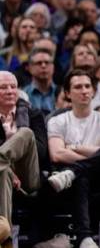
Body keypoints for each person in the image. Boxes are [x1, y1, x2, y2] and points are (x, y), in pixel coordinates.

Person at [45, 70, 100, 248]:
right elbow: (57, 154)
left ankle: (75, 171)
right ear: (67, 93)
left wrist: (72, 148)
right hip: (68, 178)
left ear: (94, 91)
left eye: (88, 86)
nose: (84, 91)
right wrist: (97, 153)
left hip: (99, 177)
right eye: (78, 87)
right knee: (82, 177)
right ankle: (84, 238)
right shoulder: (57, 121)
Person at [0, 71, 46, 233]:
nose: (10, 91)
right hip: (5, 174)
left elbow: (41, 152)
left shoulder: (33, 115)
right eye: (3, 87)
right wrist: (11, 172)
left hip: (28, 175)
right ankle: (4, 239)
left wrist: (19, 142)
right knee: (3, 171)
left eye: (13, 87)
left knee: (26, 133)